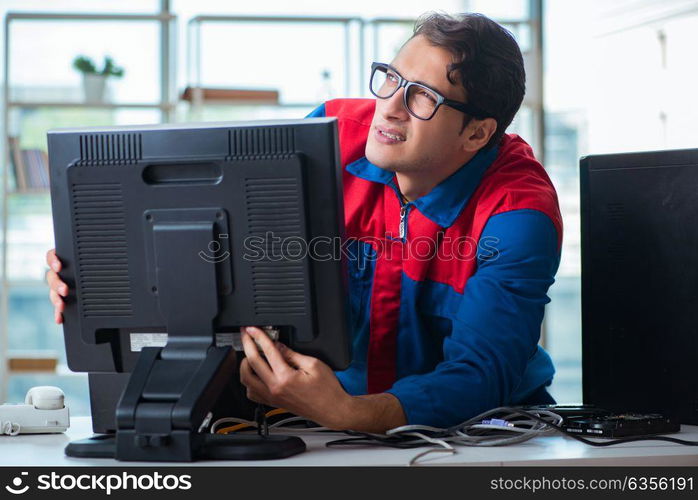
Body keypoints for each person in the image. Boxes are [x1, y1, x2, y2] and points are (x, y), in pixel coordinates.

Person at [46, 12, 562, 433]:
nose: (391, 108)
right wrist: (96, 272)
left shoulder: (519, 212)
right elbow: (224, 245)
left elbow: (480, 373)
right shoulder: (328, 138)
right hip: (313, 422)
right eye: (392, 78)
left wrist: (350, 413)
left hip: (480, 436)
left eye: (423, 97)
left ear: (477, 134)